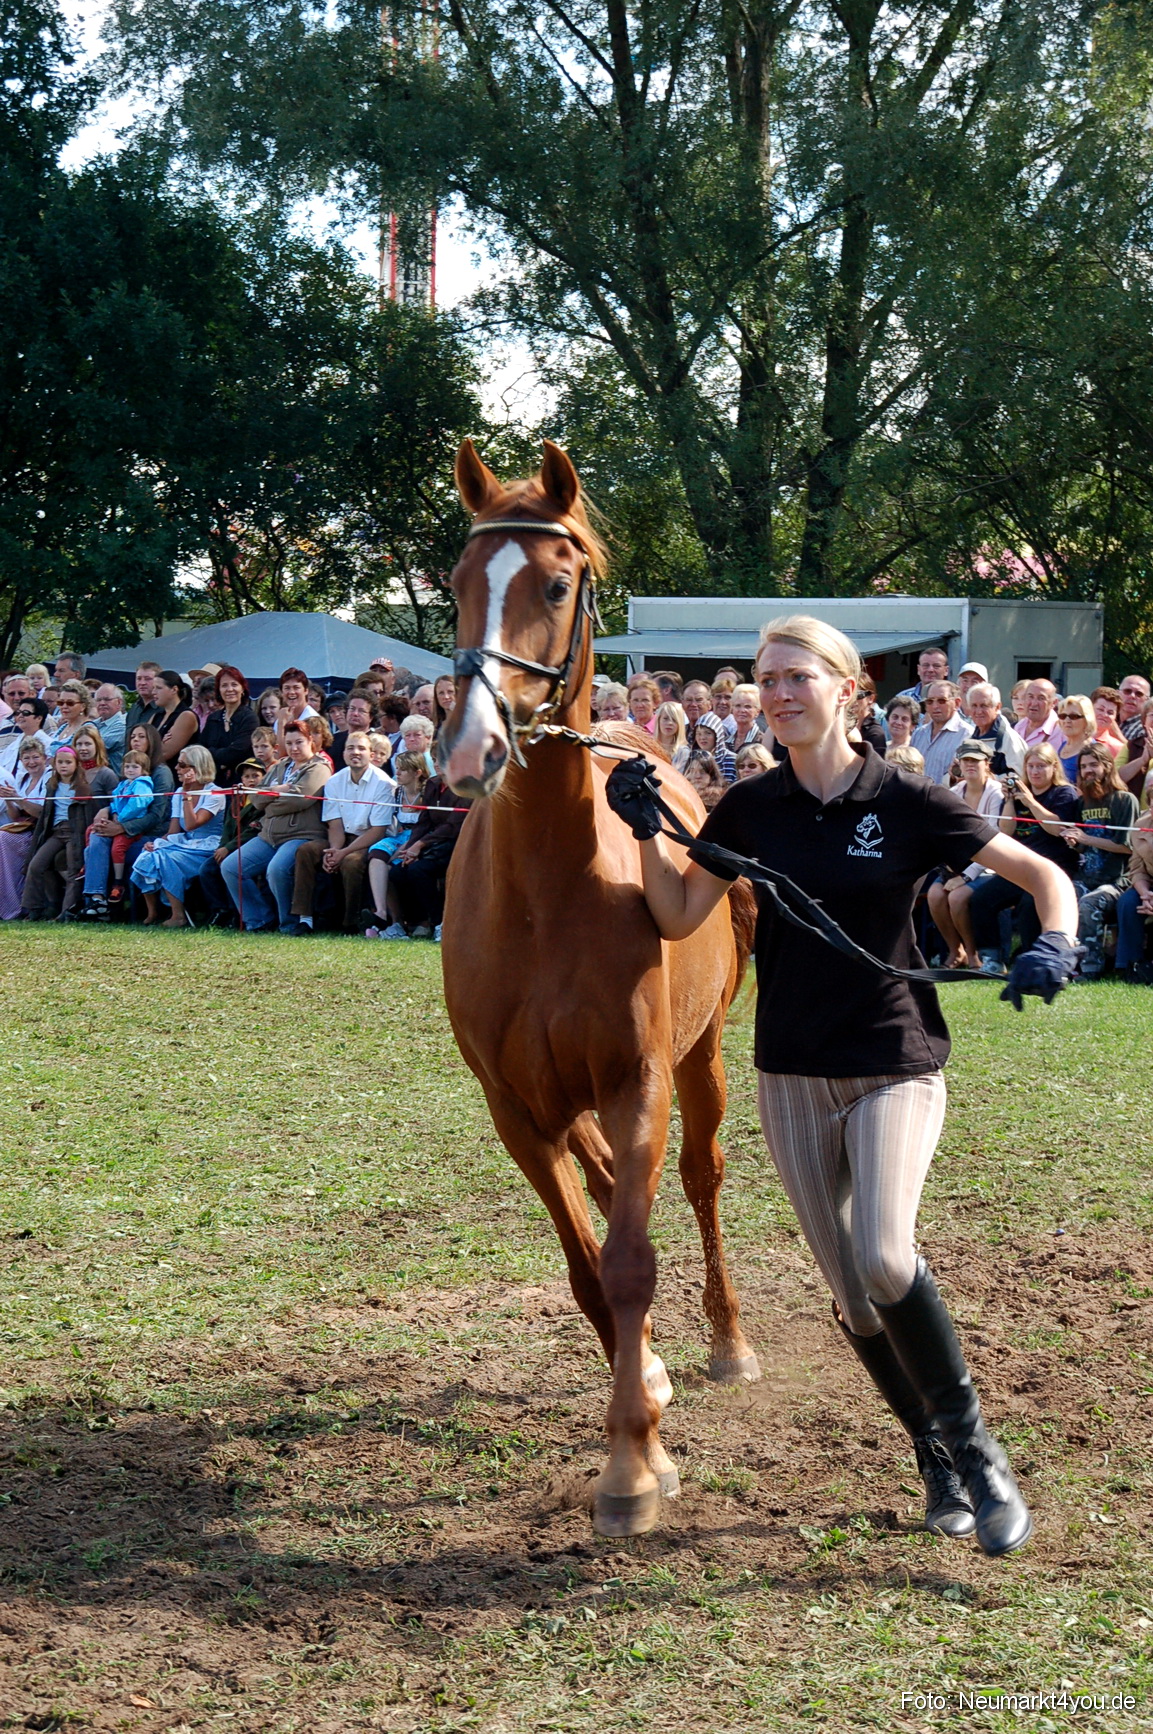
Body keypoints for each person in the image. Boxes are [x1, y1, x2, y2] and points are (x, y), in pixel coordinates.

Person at [606, 613, 1078, 1557]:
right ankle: (931, 1458)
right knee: (857, 1303)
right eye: (764, 680)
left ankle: (979, 1457)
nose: (777, 694)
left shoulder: (904, 797)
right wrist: (648, 831)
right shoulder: (746, 809)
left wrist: (1058, 939)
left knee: (887, 1260)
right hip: (789, 1070)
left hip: (893, 1059)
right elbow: (670, 913)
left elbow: (1039, 875)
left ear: (847, 688)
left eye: (795, 677)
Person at [968, 744, 1080, 973]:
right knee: (980, 900)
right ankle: (992, 959)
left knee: (1030, 904)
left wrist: (1030, 802)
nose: (1035, 772)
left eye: (1041, 766)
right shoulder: (1020, 794)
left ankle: (1035, 960)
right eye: (1031, 766)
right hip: (1023, 868)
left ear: (1053, 767)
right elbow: (1006, 830)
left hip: (1054, 869)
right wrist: (1010, 800)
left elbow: (1057, 829)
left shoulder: (1063, 793)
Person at [221, 718, 332, 932]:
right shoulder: (280, 765)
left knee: (277, 869)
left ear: (310, 741)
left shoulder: (319, 768)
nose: (294, 748)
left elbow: (300, 799)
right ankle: (260, 920)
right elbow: (256, 798)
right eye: (289, 743)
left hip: (301, 835)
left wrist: (269, 802)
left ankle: (288, 924)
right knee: (231, 867)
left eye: (299, 742)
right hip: (267, 836)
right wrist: (281, 789)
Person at [287, 732, 395, 934]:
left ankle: (350, 923)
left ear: (371, 754)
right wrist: (334, 850)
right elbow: (334, 824)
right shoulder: (335, 781)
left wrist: (342, 854)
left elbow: (378, 830)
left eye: (361, 748)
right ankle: (305, 919)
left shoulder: (384, 783)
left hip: (369, 839)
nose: (355, 752)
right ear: (343, 753)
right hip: (341, 836)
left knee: (351, 862)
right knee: (306, 851)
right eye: (350, 748)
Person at [1059, 744, 1139, 979]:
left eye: (1094, 765)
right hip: (1087, 876)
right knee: (1062, 896)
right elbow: (1085, 844)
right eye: (1083, 766)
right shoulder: (1083, 803)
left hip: (1118, 880)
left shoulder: (1125, 800)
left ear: (1107, 766)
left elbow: (1126, 846)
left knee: (1088, 904)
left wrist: (1086, 837)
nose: (1088, 771)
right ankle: (1063, 962)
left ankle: (1091, 969)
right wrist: (1075, 842)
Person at [130, 744, 227, 926]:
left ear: (196, 768)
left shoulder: (215, 793)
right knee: (150, 854)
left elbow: (192, 824)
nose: (176, 768)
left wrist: (187, 794)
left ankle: (178, 915)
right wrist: (157, 843)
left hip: (207, 846)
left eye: (182, 765)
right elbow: (174, 831)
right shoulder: (179, 792)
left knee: (169, 859)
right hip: (186, 842)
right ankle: (153, 913)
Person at [926, 740, 1004, 967]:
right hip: (957, 863)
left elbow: (993, 840)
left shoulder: (996, 793)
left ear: (986, 763)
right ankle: (954, 950)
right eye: (966, 760)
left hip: (988, 867)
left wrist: (966, 876)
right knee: (934, 895)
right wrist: (951, 867)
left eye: (975, 760)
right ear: (959, 763)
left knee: (957, 897)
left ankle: (973, 953)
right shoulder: (954, 792)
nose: (970, 765)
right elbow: (944, 834)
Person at [82, 723, 176, 909]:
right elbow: (119, 799)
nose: (136, 740)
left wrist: (122, 827)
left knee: (103, 845)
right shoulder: (130, 769)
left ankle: (110, 895)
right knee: (97, 835)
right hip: (124, 826)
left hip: (150, 832)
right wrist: (106, 810)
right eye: (133, 737)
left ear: (152, 741)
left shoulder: (161, 773)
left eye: (141, 737)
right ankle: (97, 898)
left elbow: (156, 815)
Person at [22, 743, 115, 919]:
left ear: (76, 765)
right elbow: (46, 814)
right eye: (60, 762)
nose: (64, 766)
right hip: (56, 832)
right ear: (54, 764)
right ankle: (33, 908)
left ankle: (67, 912)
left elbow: (88, 815)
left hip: (74, 832)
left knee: (73, 871)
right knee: (36, 865)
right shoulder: (52, 785)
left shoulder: (83, 787)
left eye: (68, 762)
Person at [385, 770, 470, 939]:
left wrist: (420, 844)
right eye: (434, 759)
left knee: (419, 871)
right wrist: (410, 847)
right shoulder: (432, 784)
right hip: (431, 843)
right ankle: (418, 921)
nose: (437, 764)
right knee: (397, 871)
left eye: (440, 759)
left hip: (456, 844)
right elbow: (423, 821)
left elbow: (453, 826)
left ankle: (440, 923)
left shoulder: (465, 786)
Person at [79, 749, 154, 919]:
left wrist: (120, 819)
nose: (130, 770)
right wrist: (109, 811)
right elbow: (116, 802)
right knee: (92, 830)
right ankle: (89, 861)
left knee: (117, 848)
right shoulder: (124, 784)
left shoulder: (142, 784)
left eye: (135, 766)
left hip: (129, 827)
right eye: (127, 766)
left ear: (143, 769)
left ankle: (118, 883)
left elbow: (137, 805)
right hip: (117, 820)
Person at [197, 757, 267, 925]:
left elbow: (252, 830)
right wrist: (222, 847)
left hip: (246, 847)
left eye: (255, 775)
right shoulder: (238, 798)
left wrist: (228, 849)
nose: (251, 780)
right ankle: (220, 910)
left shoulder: (264, 801)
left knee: (231, 867)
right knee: (206, 870)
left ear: (264, 777)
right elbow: (228, 827)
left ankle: (239, 915)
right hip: (228, 847)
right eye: (246, 776)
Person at [364, 751, 428, 936]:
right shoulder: (397, 792)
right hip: (401, 834)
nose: (397, 773)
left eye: (403, 770)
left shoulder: (426, 792)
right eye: (397, 769)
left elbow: (427, 824)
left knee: (394, 865)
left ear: (417, 772)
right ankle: (382, 912)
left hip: (419, 835)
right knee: (376, 854)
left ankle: (410, 920)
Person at [0, 738, 49, 918]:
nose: (31, 762)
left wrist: (18, 799)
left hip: (39, 831)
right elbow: (15, 815)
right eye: (26, 758)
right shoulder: (23, 779)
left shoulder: (49, 778)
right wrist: (8, 798)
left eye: (35, 757)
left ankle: (16, 905)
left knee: (2, 840)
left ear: (44, 758)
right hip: (22, 829)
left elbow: (42, 813)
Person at [197, 665, 257, 786]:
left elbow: (237, 753)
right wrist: (221, 756)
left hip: (240, 783)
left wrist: (213, 753)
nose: (229, 689)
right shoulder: (213, 718)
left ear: (242, 689)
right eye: (224, 685)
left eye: (234, 685)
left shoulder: (249, 718)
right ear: (219, 690)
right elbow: (201, 749)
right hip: (213, 782)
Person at [1115, 808, 1153, 982]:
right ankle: (1130, 966)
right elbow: (1137, 869)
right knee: (1128, 902)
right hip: (1149, 885)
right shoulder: (1140, 827)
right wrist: (1145, 895)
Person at [910, 681, 973, 785]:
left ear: (957, 703)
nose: (935, 706)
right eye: (930, 701)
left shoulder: (967, 736)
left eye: (941, 701)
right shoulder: (918, 734)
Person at [964, 683, 1025, 777]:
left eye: (984, 705)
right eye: (974, 706)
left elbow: (1020, 778)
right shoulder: (969, 738)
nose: (978, 711)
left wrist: (985, 780)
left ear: (997, 707)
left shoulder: (1008, 739)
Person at [151, 670, 199, 766]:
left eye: (158, 688)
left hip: (176, 775)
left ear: (174, 689)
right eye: (153, 688)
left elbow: (165, 753)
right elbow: (138, 743)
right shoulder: (157, 715)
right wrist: (160, 743)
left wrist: (149, 743)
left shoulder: (186, 716)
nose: (153, 692)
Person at [0, 696, 51, 777]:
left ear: (39, 718)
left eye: (25, 713)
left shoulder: (48, 744)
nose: (20, 716)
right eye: (18, 712)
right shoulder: (15, 744)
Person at [1014, 680, 1066, 753]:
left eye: (1041, 698)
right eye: (1030, 697)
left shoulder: (1062, 731)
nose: (1034, 703)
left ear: (1054, 703)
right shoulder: (1019, 727)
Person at [275, 667, 316, 750]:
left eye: (296, 687)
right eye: (287, 688)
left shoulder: (312, 719)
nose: (291, 692)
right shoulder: (282, 716)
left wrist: (281, 724)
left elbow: (283, 753)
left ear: (306, 690)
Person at [1056, 695, 1096, 781]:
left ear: (1087, 720)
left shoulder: (1093, 751)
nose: (1066, 721)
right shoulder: (1063, 746)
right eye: (1063, 716)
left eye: (1073, 716)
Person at [92, 685, 127, 774]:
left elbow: (93, 747)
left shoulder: (122, 724)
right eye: (99, 700)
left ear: (119, 702)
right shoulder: (93, 724)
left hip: (112, 782)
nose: (102, 703)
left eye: (107, 699)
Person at [49, 679, 92, 750]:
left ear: (83, 706)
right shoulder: (63, 727)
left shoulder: (88, 729)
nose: (64, 706)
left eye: (70, 703)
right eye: (61, 703)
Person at [849, 673, 886, 755]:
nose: (852, 699)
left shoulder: (875, 733)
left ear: (871, 698)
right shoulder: (843, 725)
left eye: (857, 695)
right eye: (849, 694)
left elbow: (874, 766)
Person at [1089, 686, 1129, 763]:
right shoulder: (1073, 737)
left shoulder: (1118, 748)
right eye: (1100, 709)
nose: (1104, 715)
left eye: (1110, 712)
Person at [692, 714, 736, 782]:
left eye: (708, 733)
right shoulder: (692, 759)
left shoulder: (732, 759)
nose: (702, 737)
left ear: (717, 735)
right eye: (698, 734)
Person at [124, 662, 163, 737]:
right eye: (139, 678)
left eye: (147, 679)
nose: (142, 683)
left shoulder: (164, 709)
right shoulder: (134, 709)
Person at [654, 701, 691, 772]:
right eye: (665, 718)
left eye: (674, 720)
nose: (669, 723)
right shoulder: (649, 747)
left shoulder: (683, 752)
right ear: (659, 720)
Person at [1118, 675, 1151, 748]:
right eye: (1127, 691)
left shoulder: (1145, 728)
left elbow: (1133, 753)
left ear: (1147, 700)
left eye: (1139, 694)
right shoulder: (1106, 717)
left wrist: (1114, 731)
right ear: (1118, 693)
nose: (1132, 696)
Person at [729, 684, 763, 755]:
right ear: (732, 709)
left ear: (757, 711)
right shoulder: (725, 741)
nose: (742, 710)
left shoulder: (762, 741)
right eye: (738, 706)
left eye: (748, 706)